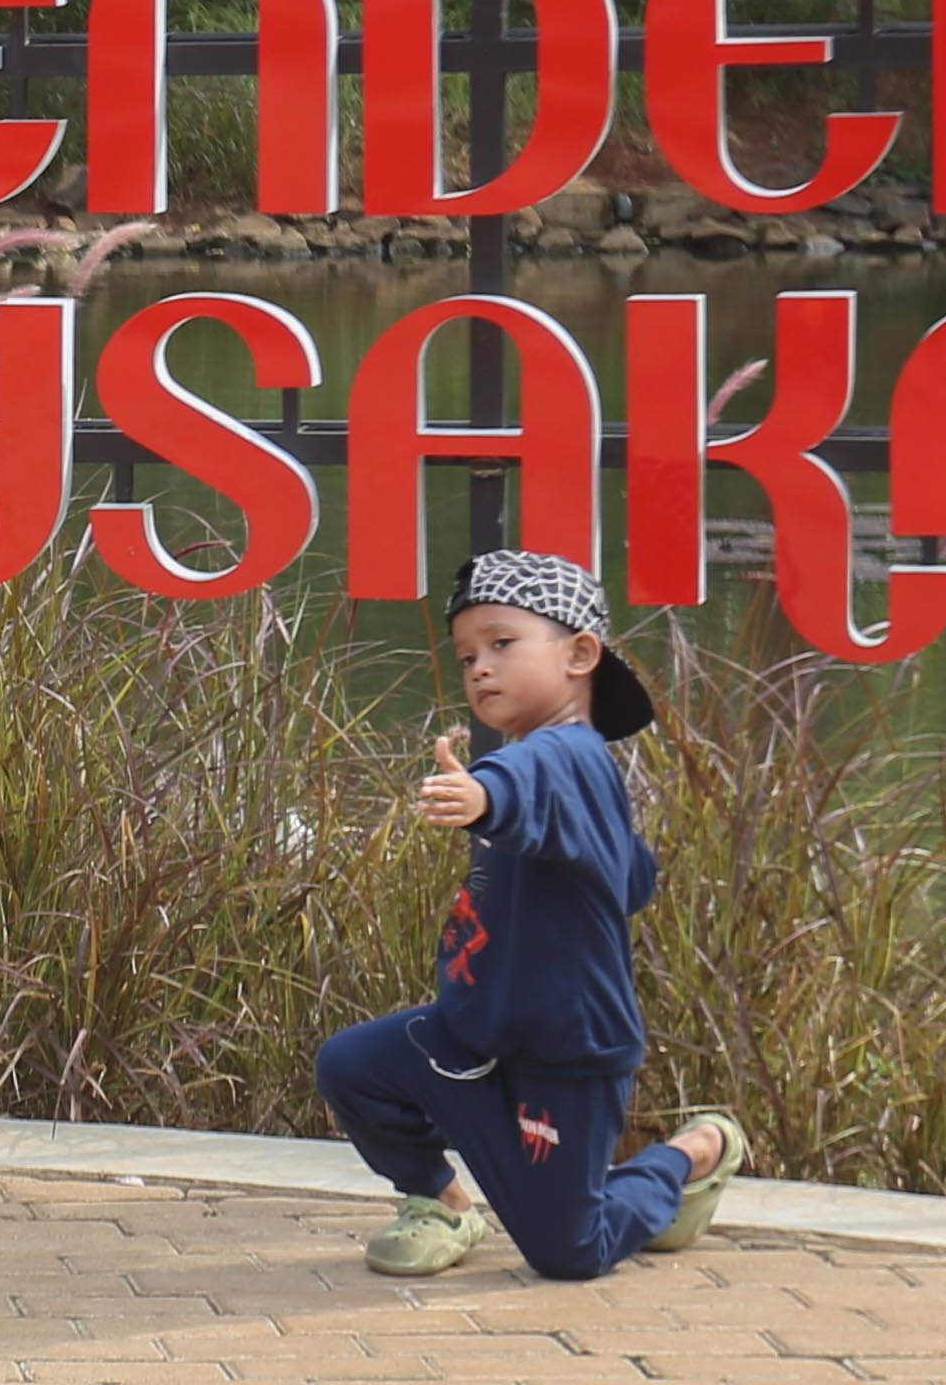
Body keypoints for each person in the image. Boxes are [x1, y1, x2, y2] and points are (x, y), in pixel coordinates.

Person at [312, 548, 751, 1281]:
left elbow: (519, 784)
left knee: (568, 1252)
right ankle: (444, 1201)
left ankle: (691, 1155)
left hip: (563, 1053)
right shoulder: (564, 772)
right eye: (467, 655)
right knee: (353, 1065)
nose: (480, 666)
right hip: (475, 1030)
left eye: (502, 644)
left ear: (580, 654)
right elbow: (630, 876)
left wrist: (482, 800)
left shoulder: (564, 757)